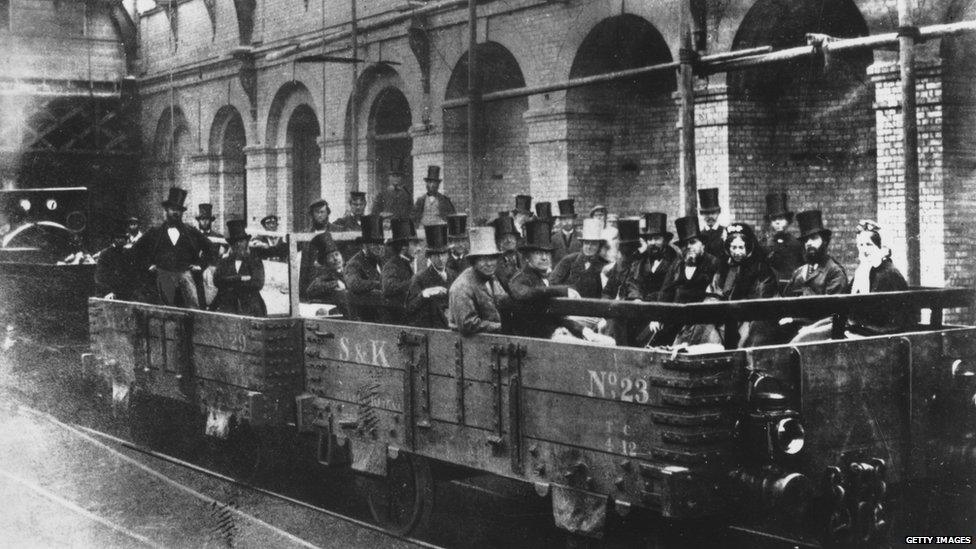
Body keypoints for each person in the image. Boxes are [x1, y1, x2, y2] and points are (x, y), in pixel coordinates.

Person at [793, 220, 910, 342]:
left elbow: (885, 319)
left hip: (874, 333)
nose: (864, 250)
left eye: (869, 245)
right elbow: (845, 303)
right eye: (861, 245)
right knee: (804, 335)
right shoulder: (864, 271)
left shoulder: (889, 274)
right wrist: (814, 327)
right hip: (853, 325)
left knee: (806, 340)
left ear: (880, 247)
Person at [681, 223, 778, 347]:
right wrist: (711, 306)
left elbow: (760, 301)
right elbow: (714, 292)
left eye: (741, 247)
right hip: (724, 315)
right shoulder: (724, 268)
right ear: (728, 248)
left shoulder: (761, 270)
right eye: (733, 247)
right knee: (701, 324)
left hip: (750, 317)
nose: (737, 252)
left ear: (748, 247)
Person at [131, 187, 213, 308]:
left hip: (187, 281)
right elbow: (136, 250)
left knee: (190, 314)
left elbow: (210, 248)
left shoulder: (191, 231)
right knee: (164, 314)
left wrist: (200, 265)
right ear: (166, 210)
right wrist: (148, 265)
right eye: (172, 209)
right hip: (162, 280)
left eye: (179, 210)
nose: (176, 212)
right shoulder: (155, 232)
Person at [647, 215, 721, 347]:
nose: (689, 247)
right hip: (675, 320)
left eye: (693, 242)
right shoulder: (677, 264)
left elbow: (714, 295)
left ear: (702, 244)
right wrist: (658, 317)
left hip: (701, 321)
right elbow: (666, 292)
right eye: (684, 244)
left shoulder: (713, 263)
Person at [780, 210, 849, 337]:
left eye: (814, 238)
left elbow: (830, 314)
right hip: (794, 326)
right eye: (806, 240)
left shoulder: (835, 272)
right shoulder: (800, 272)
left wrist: (796, 320)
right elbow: (786, 302)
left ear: (825, 241)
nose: (809, 243)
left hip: (820, 329)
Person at [448, 226, 510, 335]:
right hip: (470, 345)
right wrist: (500, 327)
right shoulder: (462, 287)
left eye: (492, 258)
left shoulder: (492, 278)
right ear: (474, 261)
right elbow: (467, 324)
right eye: (483, 259)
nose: (489, 263)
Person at [211, 219, 267, 317]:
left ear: (246, 243)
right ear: (232, 245)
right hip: (227, 303)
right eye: (235, 243)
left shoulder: (255, 261)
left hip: (250, 304)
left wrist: (229, 282)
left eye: (242, 241)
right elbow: (217, 281)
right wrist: (240, 278)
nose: (239, 245)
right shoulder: (225, 261)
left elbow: (258, 283)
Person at [405, 224, 456, 328]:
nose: (441, 259)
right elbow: (410, 308)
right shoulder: (420, 278)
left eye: (444, 254)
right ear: (430, 257)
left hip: (452, 328)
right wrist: (424, 294)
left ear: (448, 254)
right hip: (431, 330)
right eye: (437, 255)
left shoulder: (453, 275)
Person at [626, 212, 679, 303]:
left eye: (657, 238)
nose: (652, 242)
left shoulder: (675, 259)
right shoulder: (642, 259)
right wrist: (637, 298)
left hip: (665, 306)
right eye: (650, 239)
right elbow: (634, 281)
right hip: (643, 306)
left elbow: (674, 288)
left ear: (665, 240)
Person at [549, 217, 608, 298]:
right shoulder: (569, 260)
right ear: (582, 244)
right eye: (586, 243)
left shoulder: (603, 265)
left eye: (593, 244)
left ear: (599, 246)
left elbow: (607, 292)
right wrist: (566, 292)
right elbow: (552, 282)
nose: (589, 247)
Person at [344, 214, 387, 322]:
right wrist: (379, 284)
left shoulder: (383, 261)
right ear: (364, 244)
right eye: (374, 243)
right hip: (365, 322)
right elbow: (353, 284)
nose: (379, 247)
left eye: (381, 243)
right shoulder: (354, 263)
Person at [381, 218, 421, 324]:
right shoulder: (392, 265)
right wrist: (416, 282)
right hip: (396, 321)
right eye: (415, 244)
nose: (419, 248)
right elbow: (388, 287)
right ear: (403, 247)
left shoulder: (411, 263)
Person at [95, 219, 144, 301]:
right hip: (109, 293)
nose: (121, 240)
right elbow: (100, 276)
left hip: (125, 293)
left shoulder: (127, 253)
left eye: (124, 238)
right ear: (114, 239)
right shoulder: (105, 254)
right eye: (119, 238)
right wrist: (108, 292)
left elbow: (132, 274)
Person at [300, 199, 339, 301]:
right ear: (312, 214)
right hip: (311, 286)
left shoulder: (337, 231)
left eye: (322, 212)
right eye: (317, 212)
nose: (320, 215)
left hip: (331, 286)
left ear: (327, 213)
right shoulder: (306, 233)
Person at [764, 192, 804, 282]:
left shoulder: (796, 244)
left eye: (781, 218)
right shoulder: (765, 245)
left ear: (787, 220)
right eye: (774, 219)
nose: (777, 222)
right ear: (770, 222)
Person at [305, 236, 349, 316]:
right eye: (331, 257)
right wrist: (336, 283)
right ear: (326, 262)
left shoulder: (350, 270)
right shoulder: (326, 274)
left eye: (337, 254)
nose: (335, 259)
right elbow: (310, 289)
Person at [492, 215, 523, 293]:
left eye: (511, 237)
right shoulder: (495, 264)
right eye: (504, 237)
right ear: (498, 242)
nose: (509, 240)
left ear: (516, 240)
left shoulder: (524, 258)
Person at [550, 199, 581, 264]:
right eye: (564, 219)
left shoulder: (581, 237)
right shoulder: (554, 239)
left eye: (569, 218)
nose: (567, 221)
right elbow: (551, 259)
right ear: (560, 221)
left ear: (573, 219)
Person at [698, 188, 726, 259]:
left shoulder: (725, 232)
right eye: (706, 213)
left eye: (713, 213)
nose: (710, 216)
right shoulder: (700, 235)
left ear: (718, 212)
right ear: (702, 214)